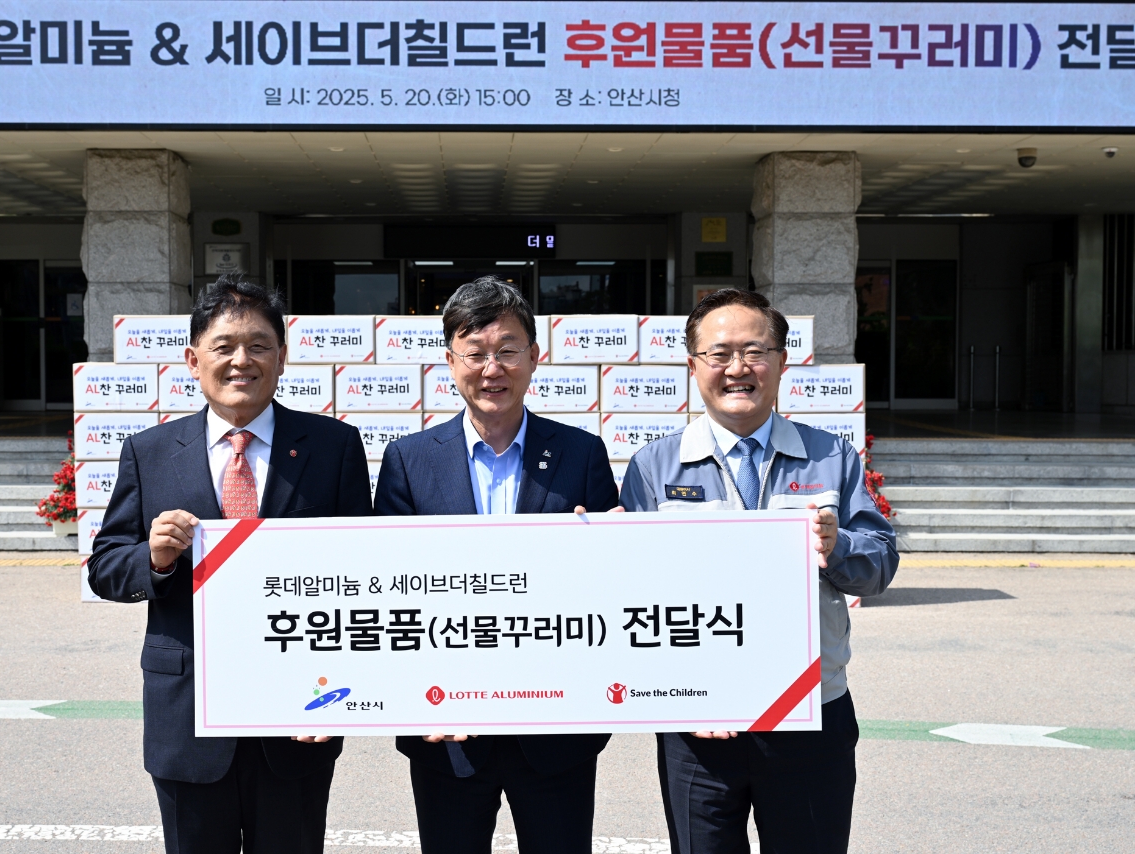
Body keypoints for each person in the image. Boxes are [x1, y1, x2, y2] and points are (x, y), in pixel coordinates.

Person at [88, 273, 373, 854]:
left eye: (259, 345)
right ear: (194, 361)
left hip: (298, 713)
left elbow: (365, 576)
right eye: (224, 347)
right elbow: (105, 567)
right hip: (187, 716)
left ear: (282, 357)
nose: (242, 360)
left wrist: (345, 692)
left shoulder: (333, 447)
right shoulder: (150, 452)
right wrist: (155, 558)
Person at [619, 288, 898, 854]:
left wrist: (837, 544)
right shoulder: (654, 465)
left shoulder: (831, 457)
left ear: (781, 361)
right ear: (693, 365)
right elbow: (632, 594)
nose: (737, 368)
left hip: (810, 714)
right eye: (719, 354)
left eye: (754, 352)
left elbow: (878, 566)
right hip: (699, 721)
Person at [374, 275, 618, 854]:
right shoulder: (408, 460)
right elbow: (387, 590)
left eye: (507, 351)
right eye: (475, 353)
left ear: (534, 356)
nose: (492, 369)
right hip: (447, 728)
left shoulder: (581, 453)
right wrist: (410, 697)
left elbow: (611, 584)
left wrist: (610, 544)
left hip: (556, 724)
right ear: (449, 361)